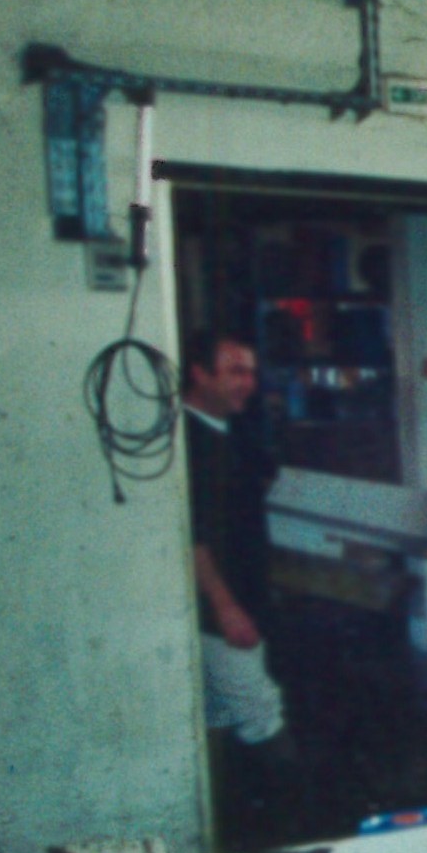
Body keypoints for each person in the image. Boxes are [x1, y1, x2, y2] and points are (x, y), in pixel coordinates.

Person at [182, 328, 291, 793]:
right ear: (200, 374)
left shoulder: (232, 431)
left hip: (245, 599)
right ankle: (291, 818)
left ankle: (233, 819)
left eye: (251, 373)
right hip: (217, 613)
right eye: (235, 372)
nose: (247, 383)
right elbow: (191, 538)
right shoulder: (187, 441)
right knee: (262, 716)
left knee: (219, 717)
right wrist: (226, 609)